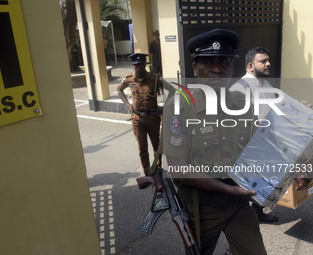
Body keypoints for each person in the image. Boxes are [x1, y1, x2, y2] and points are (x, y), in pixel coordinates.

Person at [163, 29, 311, 255]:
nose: (216, 68)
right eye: (207, 62)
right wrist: (228, 189)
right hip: (200, 209)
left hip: (239, 205)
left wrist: (292, 170)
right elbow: (178, 168)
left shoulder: (242, 102)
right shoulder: (179, 106)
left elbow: (261, 147)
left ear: (232, 67)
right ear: (195, 68)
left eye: (223, 61)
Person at [230, 47, 278, 222]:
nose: (268, 64)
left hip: (264, 142)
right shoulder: (240, 88)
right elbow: (234, 122)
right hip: (247, 145)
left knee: (262, 180)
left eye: (268, 60)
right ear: (250, 66)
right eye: (263, 61)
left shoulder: (267, 85)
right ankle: (241, 217)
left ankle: (257, 213)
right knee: (246, 182)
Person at [117, 53, 163, 184]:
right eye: (136, 65)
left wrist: (163, 108)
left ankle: (157, 170)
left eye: (141, 64)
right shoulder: (128, 79)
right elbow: (119, 90)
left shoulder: (155, 79)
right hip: (137, 119)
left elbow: (173, 91)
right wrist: (127, 105)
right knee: (142, 148)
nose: (139, 67)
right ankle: (147, 172)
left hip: (152, 119)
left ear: (145, 64)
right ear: (132, 66)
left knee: (156, 146)